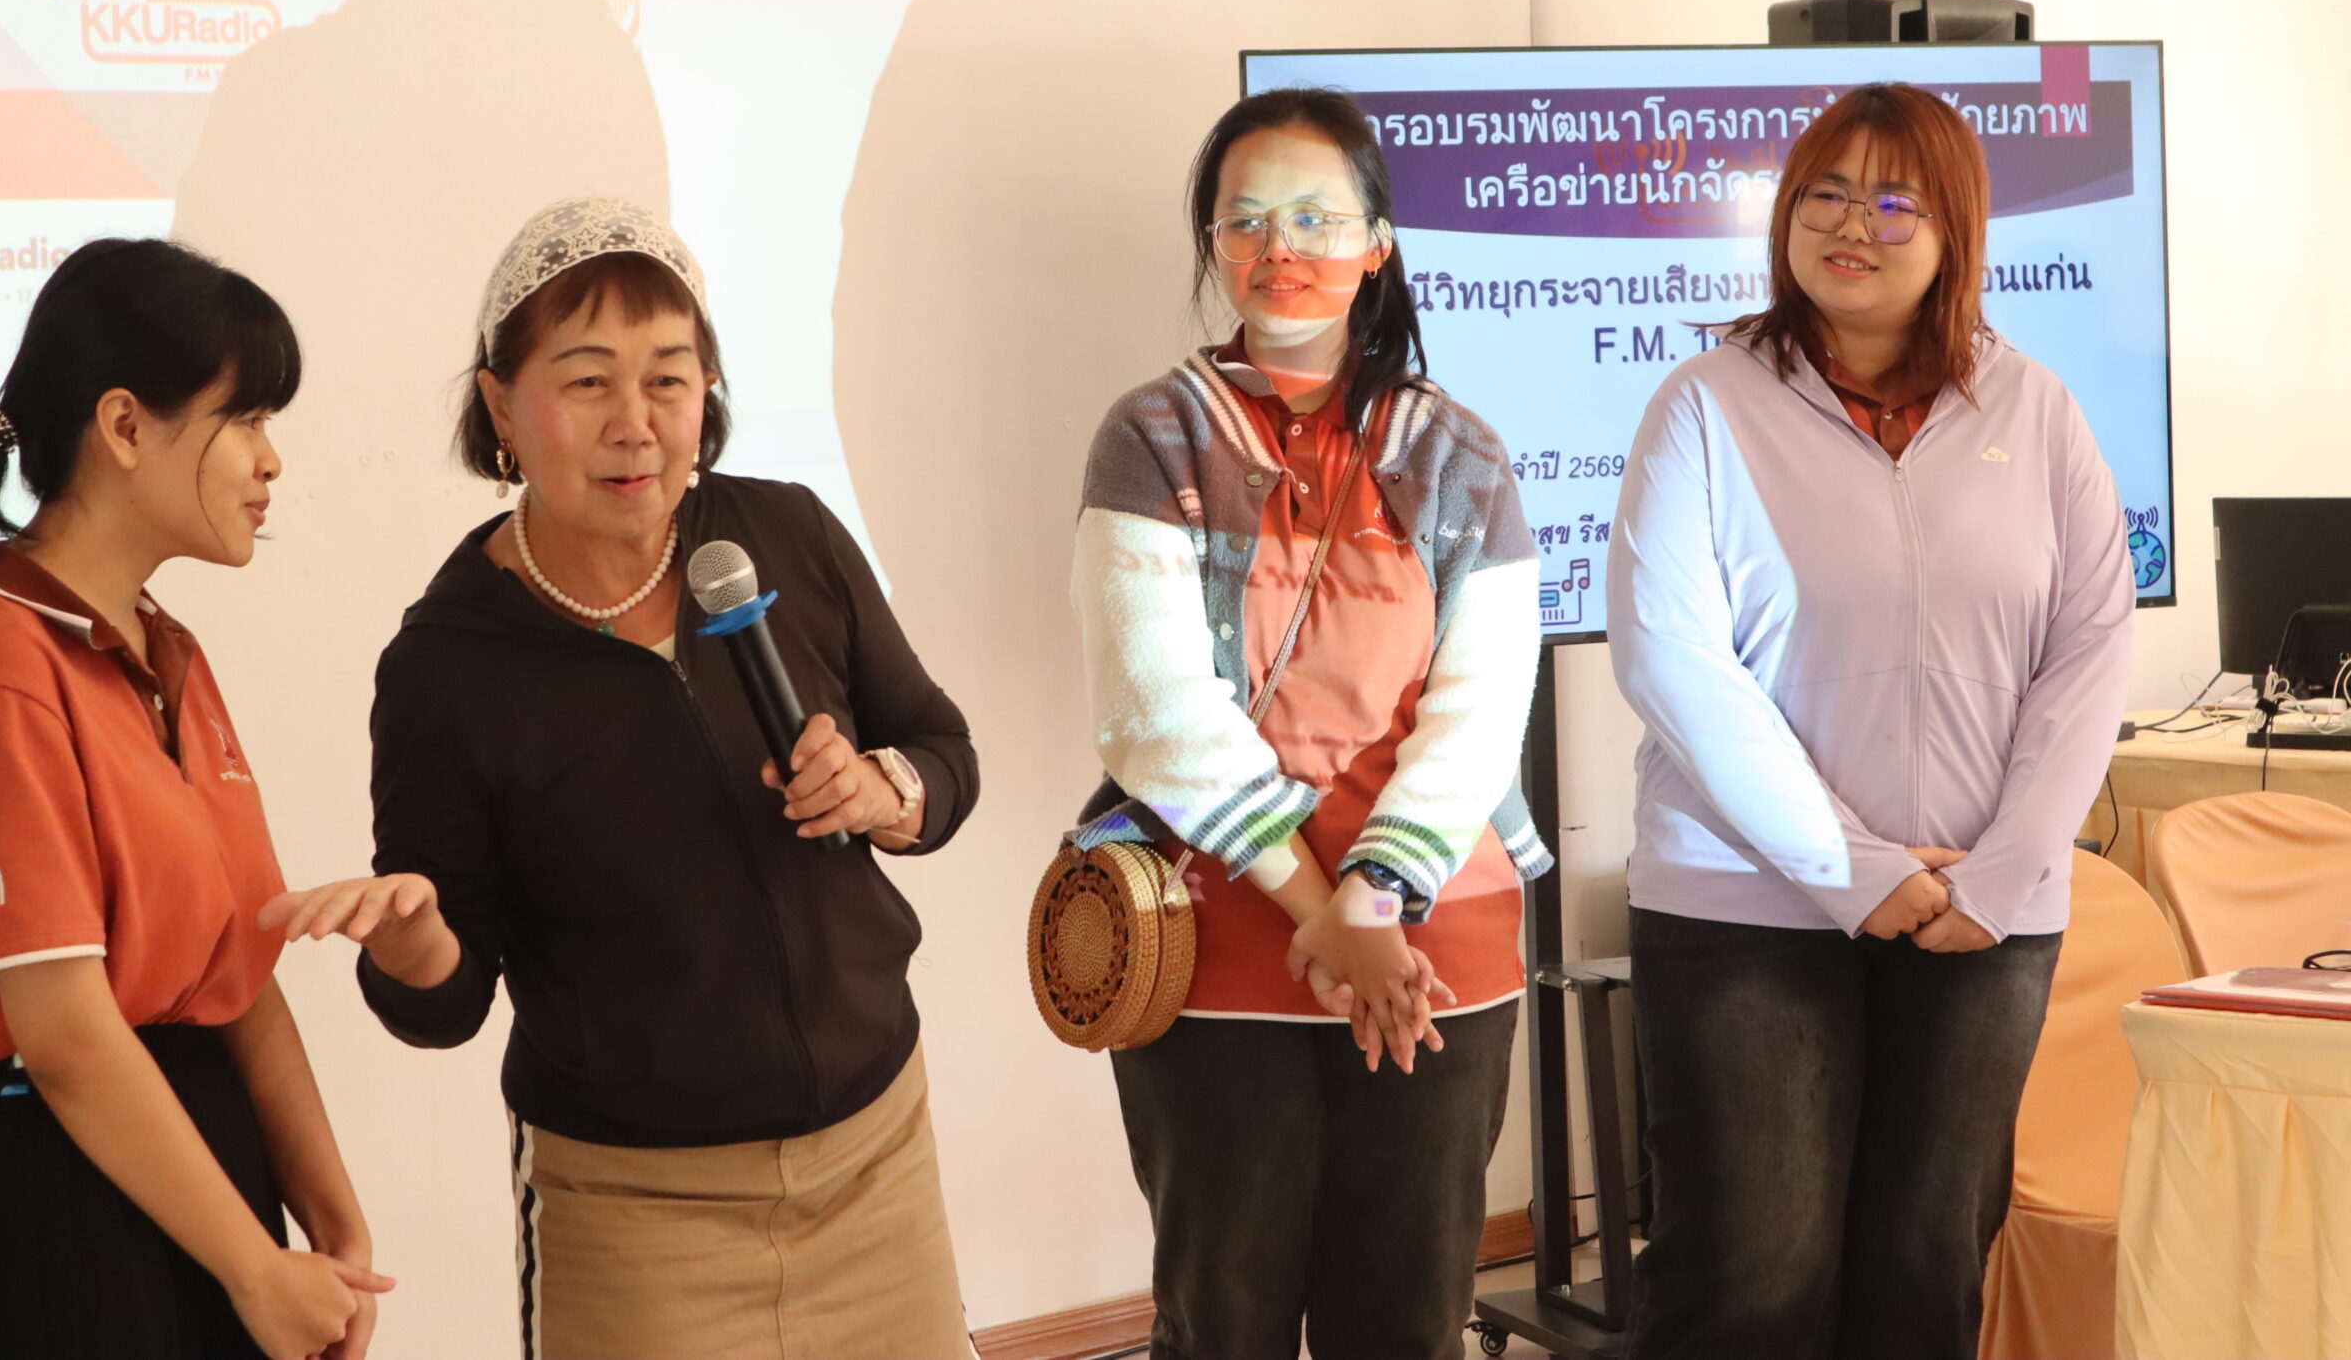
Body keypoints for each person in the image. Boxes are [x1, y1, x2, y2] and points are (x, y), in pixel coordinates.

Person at [263, 196, 978, 1360]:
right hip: (637, 1212)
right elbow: (445, 1001)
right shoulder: (449, 662)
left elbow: (942, 751)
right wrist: (413, 942)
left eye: (668, 379)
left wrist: (882, 793)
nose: (635, 425)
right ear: (501, 405)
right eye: (587, 381)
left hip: (876, 1156)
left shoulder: (786, 537)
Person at [1607, 83, 2137, 1360]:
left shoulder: (2036, 410)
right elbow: (1670, 657)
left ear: (1954, 229)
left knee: (1925, 1267)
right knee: (1750, 1277)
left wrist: (2003, 873)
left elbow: (2090, 647)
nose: (1853, 225)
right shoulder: (1704, 403)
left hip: (1978, 915)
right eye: (1825, 194)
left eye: (1894, 200)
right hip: (1745, 906)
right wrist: (1853, 868)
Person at [1069, 88, 1553, 1360]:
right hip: (1215, 941)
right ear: (1212, 246)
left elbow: (1483, 706)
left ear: (1376, 244)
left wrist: (1376, 902)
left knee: (1406, 1318)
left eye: (1313, 218)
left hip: (1434, 945)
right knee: (1219, 1320)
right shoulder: (1152, 434)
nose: (1276, 247)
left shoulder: (1459, 451)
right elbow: (1153, 714)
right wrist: (1323, 913)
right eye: (1243, 221)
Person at [0, 238, 389, 1360]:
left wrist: (333, 1225)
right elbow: (67, 1039)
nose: (271, 460)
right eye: (245, 417)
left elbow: (240, 979)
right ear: (126, 427)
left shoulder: (166, 650)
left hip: (202, 1185)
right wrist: (254, 1265)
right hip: (57, 1205)